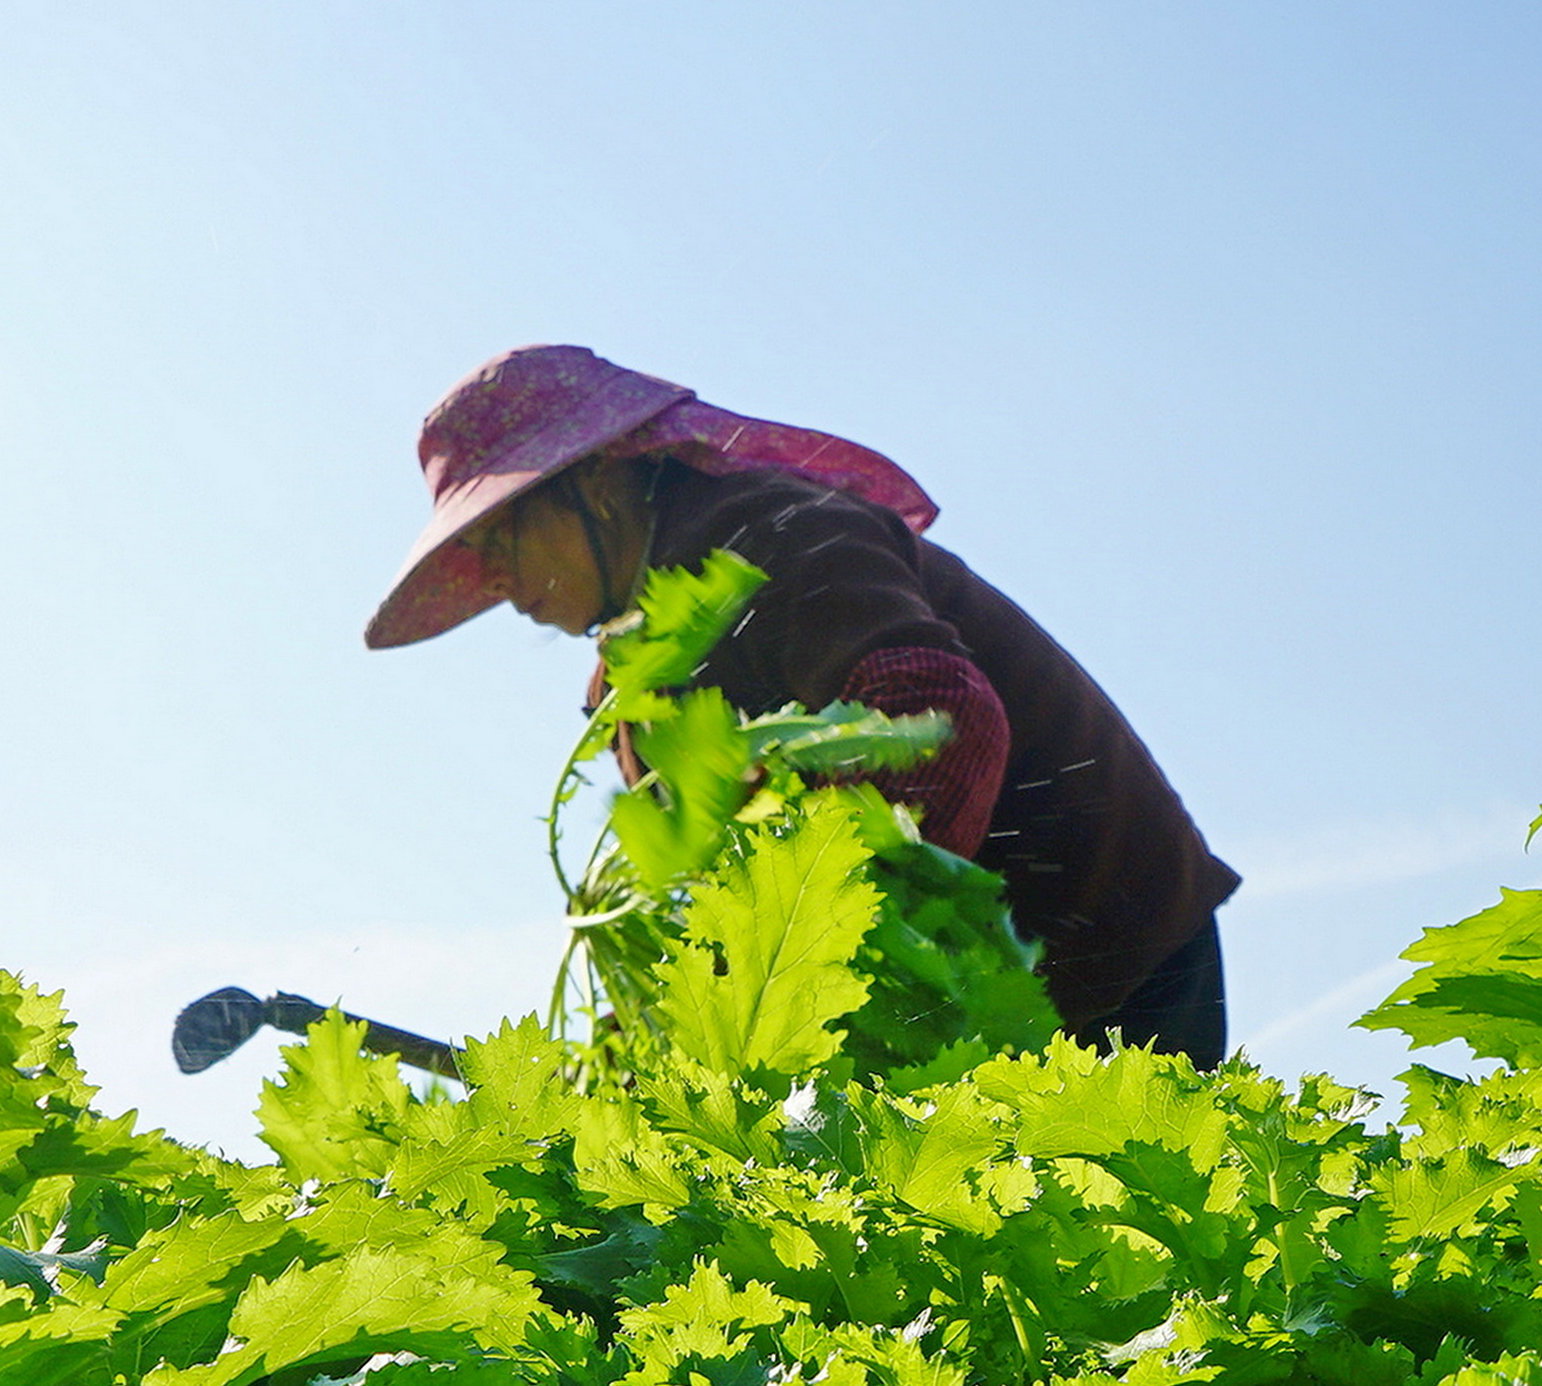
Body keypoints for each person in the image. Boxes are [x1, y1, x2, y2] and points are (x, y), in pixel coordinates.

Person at [366, 347, 1238, 1065]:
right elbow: (699, 904)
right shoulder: (636, 685)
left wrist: (804, 968)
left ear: (593, 478)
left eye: (502, 534)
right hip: (976, 1013)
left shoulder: (764, 536)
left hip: (1105, 954)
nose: (498, 580)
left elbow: (933, 713)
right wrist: (641, 1053)